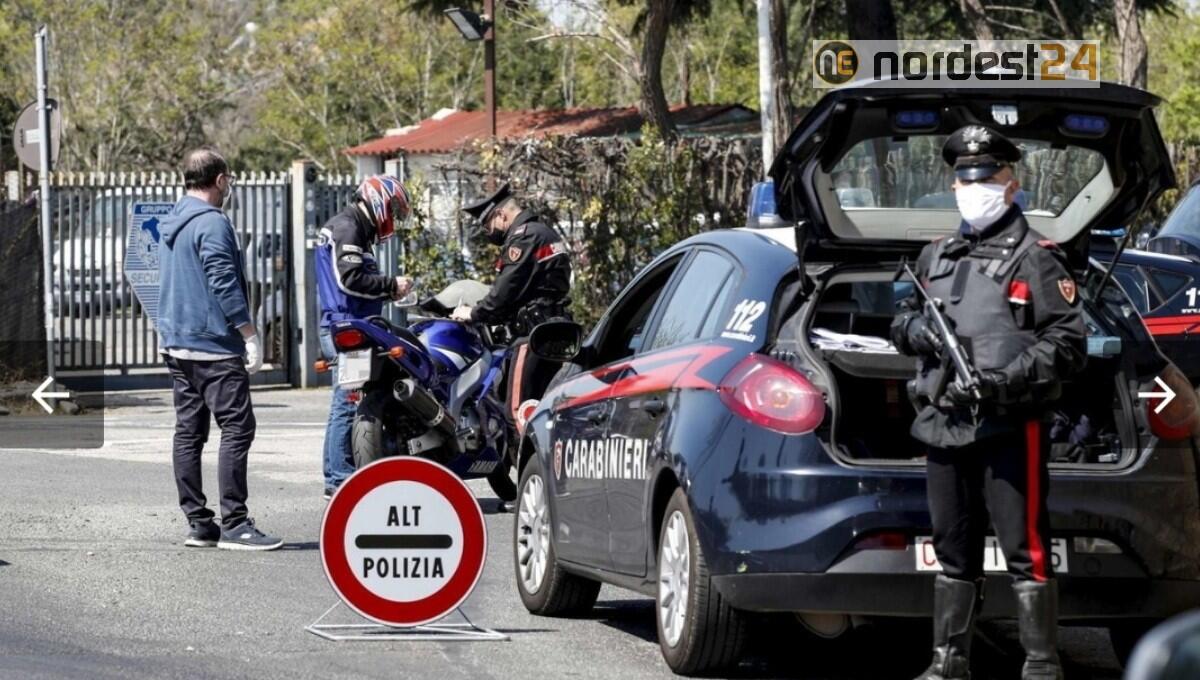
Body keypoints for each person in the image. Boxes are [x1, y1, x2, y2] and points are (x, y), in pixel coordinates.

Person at [891, 125, 1087, 680]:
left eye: (986, 176)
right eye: (963, 177)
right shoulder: (935, 256)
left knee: (1026, 547)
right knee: (953, 546)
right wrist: (915, 333)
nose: (973, 186)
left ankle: (1041, 665)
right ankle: (948, 662)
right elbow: (899, 321)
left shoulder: (1038, 259)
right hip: (943, 421)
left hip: (1008, 422)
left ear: (1011, 183)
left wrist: (1004, 380)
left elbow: (1068, 346)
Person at [158, 147, 282, 551]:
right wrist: (249, 334)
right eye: (229, 181)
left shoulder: (173, 220)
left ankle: (199, 523)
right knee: (238, 427)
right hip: (213, 345)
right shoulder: (213, 223)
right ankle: (235, 523)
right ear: (221, 180)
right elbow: (223, 281)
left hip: (178, 344)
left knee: (189, 433)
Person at [314, 174, 414, 499]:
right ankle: (339, 479)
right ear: (379, 201)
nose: (393, 217)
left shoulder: (354, 227)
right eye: (393, 208)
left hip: (354, 324)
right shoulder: (349, 227)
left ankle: (346, 473)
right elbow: (349, 279)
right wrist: (390, 285)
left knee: (350, 400)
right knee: (347, 402)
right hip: (348, 327)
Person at [450, 183, 572, 420]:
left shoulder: (523, 238)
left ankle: (521, 458)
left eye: (488, 226)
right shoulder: (544, 232)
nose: (489, 233)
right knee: (545, 410)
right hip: (555, 331)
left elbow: (505, 292)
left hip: (533, 336)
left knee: (518, 414)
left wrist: (473, 313)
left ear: (501, 215)